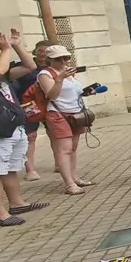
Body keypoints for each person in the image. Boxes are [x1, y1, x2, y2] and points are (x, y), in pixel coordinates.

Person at [0, 30, 45, 226]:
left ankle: (17, 203)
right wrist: (6, 49)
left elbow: (30, 67)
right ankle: (1, 214)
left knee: (11, 169)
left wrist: (17, 45)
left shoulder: (1, 76)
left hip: (13, 129)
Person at [37, 44, 95, 195]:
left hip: (75, 113)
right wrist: (59, 79)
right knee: (64, 149)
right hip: (57, 113)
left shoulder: (69, 73)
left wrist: (87, 92)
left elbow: (73, 93)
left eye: (66, 58)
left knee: (73, 148)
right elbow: (51, 96)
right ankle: (69, 184)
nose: (63, 61)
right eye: (59, 59)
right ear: (50, 60)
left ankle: (74, 177)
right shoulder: (46, 74)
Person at [15, 39, 52, 182]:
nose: (42, 54)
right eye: (40, 50)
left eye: (46, 51)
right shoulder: (26, 65)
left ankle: (59, 163)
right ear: (35, 51)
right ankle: (30, 169)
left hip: (49, 103)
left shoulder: (53, 66)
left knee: (54, 133)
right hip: (29, 104)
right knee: (31, 136)